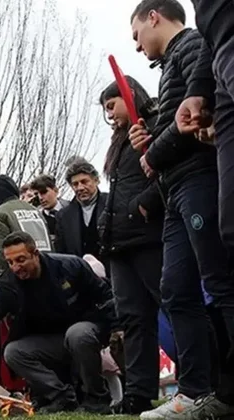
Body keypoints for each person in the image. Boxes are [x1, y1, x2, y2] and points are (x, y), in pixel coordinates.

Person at [129, 1, 234, 417]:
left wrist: (154, 153)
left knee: (220, 281)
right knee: (175, 288)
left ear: (153, 17)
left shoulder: (192, 46)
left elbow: (197, 114)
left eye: (137, 34)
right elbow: (179, 119)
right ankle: (195, 390)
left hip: (198, 180)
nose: (137, 46)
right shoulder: (173, 63)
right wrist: (152, 139)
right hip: (174, 191)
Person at [0, 232, 117, 414]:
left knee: (77, 334)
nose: (16, 267)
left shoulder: (70, 266)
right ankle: (60, 397)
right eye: (10, 262)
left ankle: (96, 399)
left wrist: (117, 329)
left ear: (36, 254)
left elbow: (106, 297)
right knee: (13, 352)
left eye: (21, 260)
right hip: (51, 342)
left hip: (85, 331)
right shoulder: (8, 284)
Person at [99, 76, 169, 415]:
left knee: (174, 307)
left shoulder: (153, 126)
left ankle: (206, 380)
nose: (110, 114)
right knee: (133, 319)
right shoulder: (120, 140)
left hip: (149, 236)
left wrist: (144, 204)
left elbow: (169, 171)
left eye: (112, 105)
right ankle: (139, 392)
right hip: (120, 243)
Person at [55, 158, 108, 262]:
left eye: (84, 182)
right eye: (75, 184)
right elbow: (61, 252)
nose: (80, 188)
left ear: (96, 180)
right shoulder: (63, 216)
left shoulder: (111, 204)